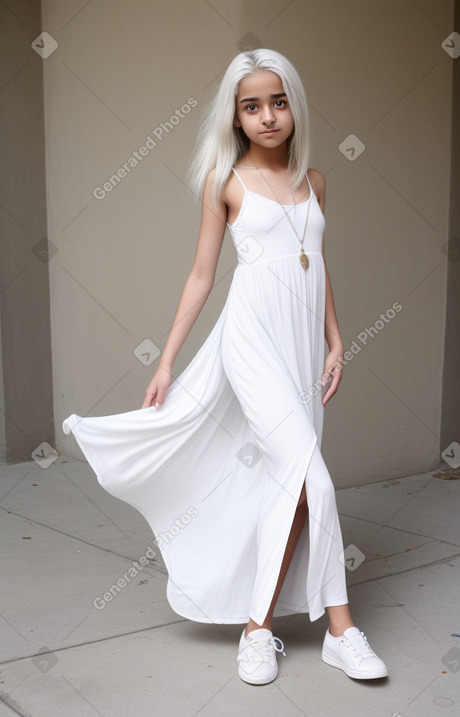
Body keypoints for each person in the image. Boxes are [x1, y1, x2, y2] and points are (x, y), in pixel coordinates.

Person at [63, 48, 387, 686]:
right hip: (251, 340)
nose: (268, 116)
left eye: (279, 101)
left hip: (301, 346)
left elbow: (314, 266)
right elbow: (202, 275)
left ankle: (260, 627)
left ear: (293, 105)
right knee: (314, 481)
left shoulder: (316, 181)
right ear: (236, 117)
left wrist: (336, 339)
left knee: (293, 490)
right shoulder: (225, 181)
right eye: (252, 106)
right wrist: (167, 359)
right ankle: (339, 629)